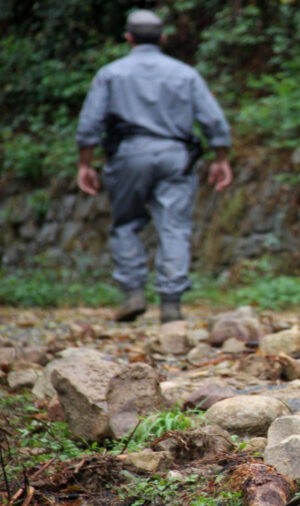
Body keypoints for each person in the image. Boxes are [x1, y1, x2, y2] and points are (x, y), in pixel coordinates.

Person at [76, 10, 233, 323]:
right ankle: (171, 303)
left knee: (126, 224)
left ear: (128, 38)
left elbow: (91, 122)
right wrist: (221, 159)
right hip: (176, 156)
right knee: (174, 226)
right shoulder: (185, 74)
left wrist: (85, 163)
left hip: (128, 154)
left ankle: (133, 293)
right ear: (162, 38)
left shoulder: (111, 74)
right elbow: (213, 119)